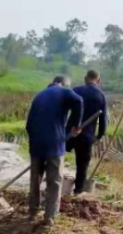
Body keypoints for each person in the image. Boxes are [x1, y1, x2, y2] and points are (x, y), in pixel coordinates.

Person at [24, 76, 84, 223]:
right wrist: (75, 125)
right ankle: (50, 216)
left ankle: (32, 212)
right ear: (65, 85)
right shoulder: (64, 91)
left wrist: (35, 142)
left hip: (36, 144)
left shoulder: (39, 95)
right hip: (54, 144)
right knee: (55, 181)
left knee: (35, 180)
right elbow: (79, 101)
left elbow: (28, 125)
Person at [69, 69, 109, 195]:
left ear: (85, 78)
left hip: (69, 133)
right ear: (99, 80)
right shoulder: (101, 95)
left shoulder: (76, 90)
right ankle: (78, 191)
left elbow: (64, 110)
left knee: (57, 157)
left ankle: (53, 184)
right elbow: (104, 119)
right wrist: (99, 135)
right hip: (86, 135)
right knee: (82, 163)